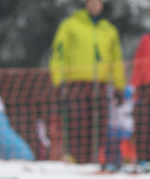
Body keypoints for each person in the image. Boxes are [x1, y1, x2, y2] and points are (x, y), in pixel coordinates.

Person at [49, 0, 125, 164]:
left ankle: (94, 159)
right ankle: (78, 159)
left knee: (99, 123)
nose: (95, 5)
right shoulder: (70, 26)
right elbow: (59, 55)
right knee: (78, 122)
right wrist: (59, 80)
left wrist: (119, 85)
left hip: (101, 83)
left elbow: (116, 60)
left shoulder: (109, 30)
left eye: (98, 2)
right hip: (76, 83)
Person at [130, 32, 150, 166]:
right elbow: (138, 64)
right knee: (143, 124)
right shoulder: (146, 40)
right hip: (146, 87)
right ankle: (143, 159)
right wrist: (134, 85)